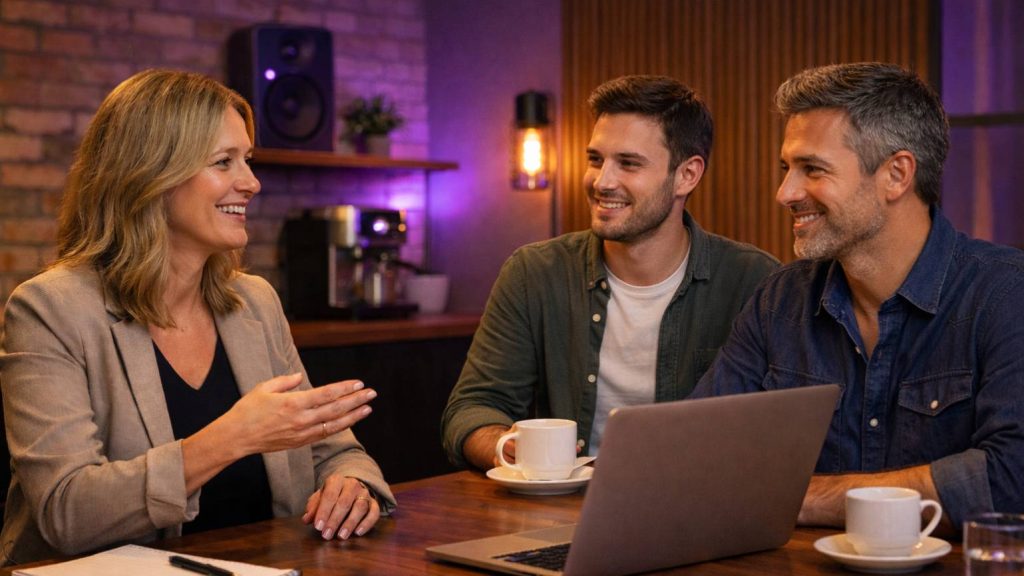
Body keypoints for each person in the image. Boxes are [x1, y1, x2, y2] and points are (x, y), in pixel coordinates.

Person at [0, 69, 396, 565]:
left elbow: (333, 450)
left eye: (247, 160)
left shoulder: (255, 302)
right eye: (223, 162)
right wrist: (233, 436)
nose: (251, 183)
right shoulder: (49, 309)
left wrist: (352, 485)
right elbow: (67, 512)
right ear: (150, 176)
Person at [691, 62, 1024, 531]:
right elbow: (698, 455)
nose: (785, 192)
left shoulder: (1005, 295)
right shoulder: (779, 300)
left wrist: (798, 498)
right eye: (787, 169)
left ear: (896, 175)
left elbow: (1010, 480)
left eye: (812, 169)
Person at [442, 75, 779, 471]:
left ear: (687, 175)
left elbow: (778, 428)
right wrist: (507, 446)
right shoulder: (535, 273)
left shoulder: (754, 280)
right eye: (595, 160)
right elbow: (472, 409)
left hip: (696, 499)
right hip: (565, 500)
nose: (602, 181)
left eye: (629, 164)